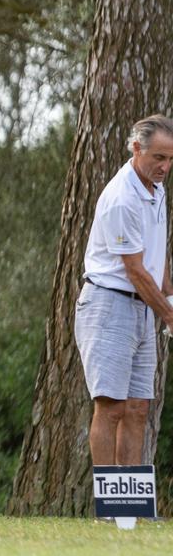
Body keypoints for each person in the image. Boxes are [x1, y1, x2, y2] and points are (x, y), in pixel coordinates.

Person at [76, 114, 173, 467]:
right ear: (137, 149)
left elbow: (156, 249)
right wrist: (169, 314)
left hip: (142, 307)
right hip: (108, 305)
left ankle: (131, 507)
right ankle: (109, 508)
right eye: (158, 158)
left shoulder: (155, 188)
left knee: (137, 408)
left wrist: (168, 296)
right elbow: (134, 269)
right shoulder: (122, 197)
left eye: (171, 159)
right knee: (112, 406)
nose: (165, 166)